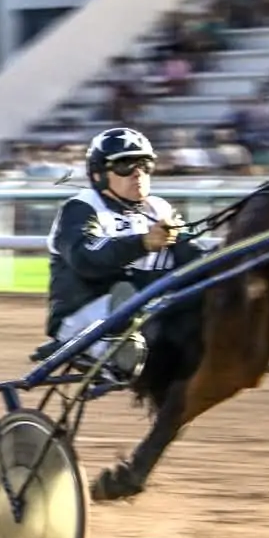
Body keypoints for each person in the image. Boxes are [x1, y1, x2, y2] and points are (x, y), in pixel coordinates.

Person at [44, 127, 207, 381]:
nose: (137, 172)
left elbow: (193, 257)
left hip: (147, 310)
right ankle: (120, 349)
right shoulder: (81, 207)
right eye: (124, 165)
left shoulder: (159, 208)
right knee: (127, 295)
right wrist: (143, 242)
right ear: (99, 173)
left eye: (144, 164)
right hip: (83, 314)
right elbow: (87, 259)